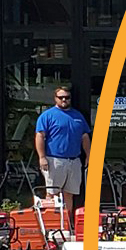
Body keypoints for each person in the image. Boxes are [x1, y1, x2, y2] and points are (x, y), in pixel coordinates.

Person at [35, 86, 91, 230]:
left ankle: (66, 224)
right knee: (52, 193)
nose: (64, 100)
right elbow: (40, 136)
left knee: (69, 194)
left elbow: (85, 137)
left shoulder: (78, 116)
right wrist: (42, 157)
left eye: (67, 97)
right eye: (61, 97)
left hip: (74, 160)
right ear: (55, 98)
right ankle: (51, 225)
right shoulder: (47, 116)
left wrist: (89, 156)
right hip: (54, 160)